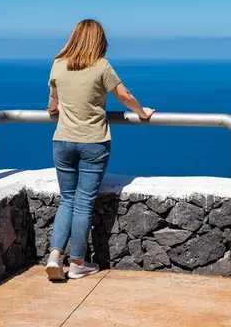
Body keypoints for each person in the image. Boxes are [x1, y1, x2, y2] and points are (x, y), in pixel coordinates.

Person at [44, 19, 154, 280]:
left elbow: (52, 103)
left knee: (67, 199)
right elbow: (123, 95)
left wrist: (53, 111)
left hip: (62, 141)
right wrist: (142, 112)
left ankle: (55, 255)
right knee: (83, 203)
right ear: (98, 41)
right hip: (93, 141)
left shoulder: (58, 64)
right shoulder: (101, 66)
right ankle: (79, 263)